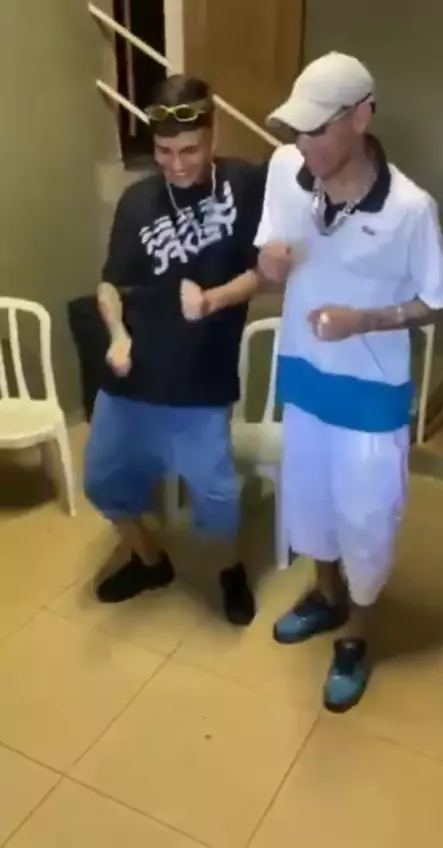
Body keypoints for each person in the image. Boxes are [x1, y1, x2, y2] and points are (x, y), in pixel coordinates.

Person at [196, 52, 443, 710]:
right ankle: (325, 593)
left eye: (317, 129)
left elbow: (437, 302)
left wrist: (367, 319)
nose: (303, 143)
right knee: (308, 507)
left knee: (366, 523)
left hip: (371, 399)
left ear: (361, 116)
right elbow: (270, 262)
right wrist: (269, 267)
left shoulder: (410, 209)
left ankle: (356, 636)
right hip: (305, 380)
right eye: (296, 129)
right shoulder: (285, 170)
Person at [84, 74, 267, 626]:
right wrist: (117, 333)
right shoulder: (137, 200)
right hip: (132, 374)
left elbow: (266, 271)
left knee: (216, 496)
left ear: (213, 137)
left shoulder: (247, 184)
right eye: (164, 152)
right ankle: (150, 562)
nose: (177, 164)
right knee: (102, 483)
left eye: (190, 150)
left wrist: (213, 300)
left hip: (201, 380)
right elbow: (110, 285)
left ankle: (230, 571)